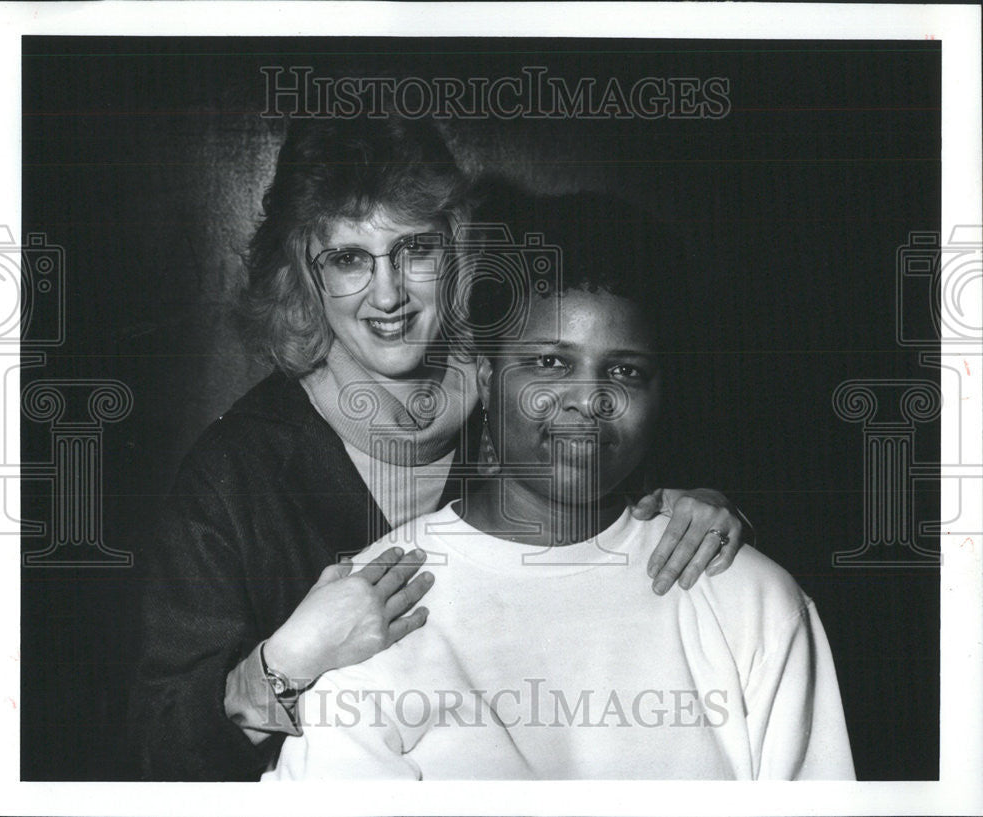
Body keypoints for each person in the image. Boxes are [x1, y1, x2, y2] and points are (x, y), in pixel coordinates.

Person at [128, 110, 752, 781]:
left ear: (454, 248)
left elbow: (637, 540)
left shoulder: (524, 398)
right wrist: (283, 663)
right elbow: (155, 754)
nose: (389, 293)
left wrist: (709, 511)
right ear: (303, 275)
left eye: (415, 250)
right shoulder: (233, 476)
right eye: (347, 259)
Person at [265, 192, 855, 781]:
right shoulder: (378, 605)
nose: (589, 400)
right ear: (487, 375)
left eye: (625, 371)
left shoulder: (751, 600)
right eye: (550, 362)